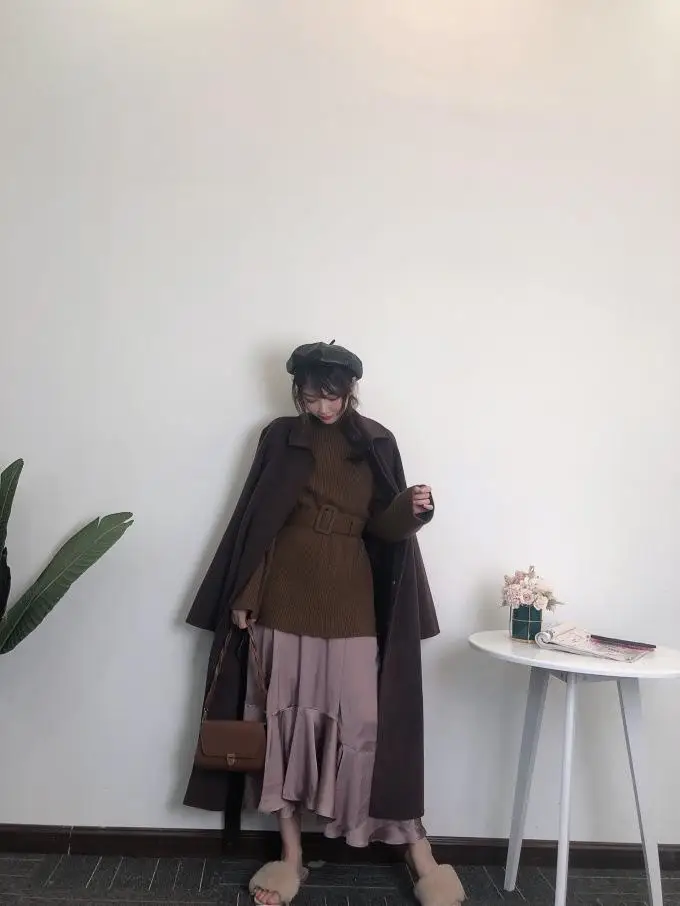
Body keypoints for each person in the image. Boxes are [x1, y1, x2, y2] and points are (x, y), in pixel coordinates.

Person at [184, 342, 465, 906]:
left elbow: (383, 530)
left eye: (332, 396)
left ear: (350, 391)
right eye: (312, 396)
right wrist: (246, 594)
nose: (323, 407)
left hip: (351, 598)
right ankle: (290, 857)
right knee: (281, 726)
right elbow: (258, 521)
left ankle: (420, 855)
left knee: (366, 725)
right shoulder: (280, 437)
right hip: (282, 597)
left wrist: (412, 510)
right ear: (299, 392)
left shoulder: (377, 440)